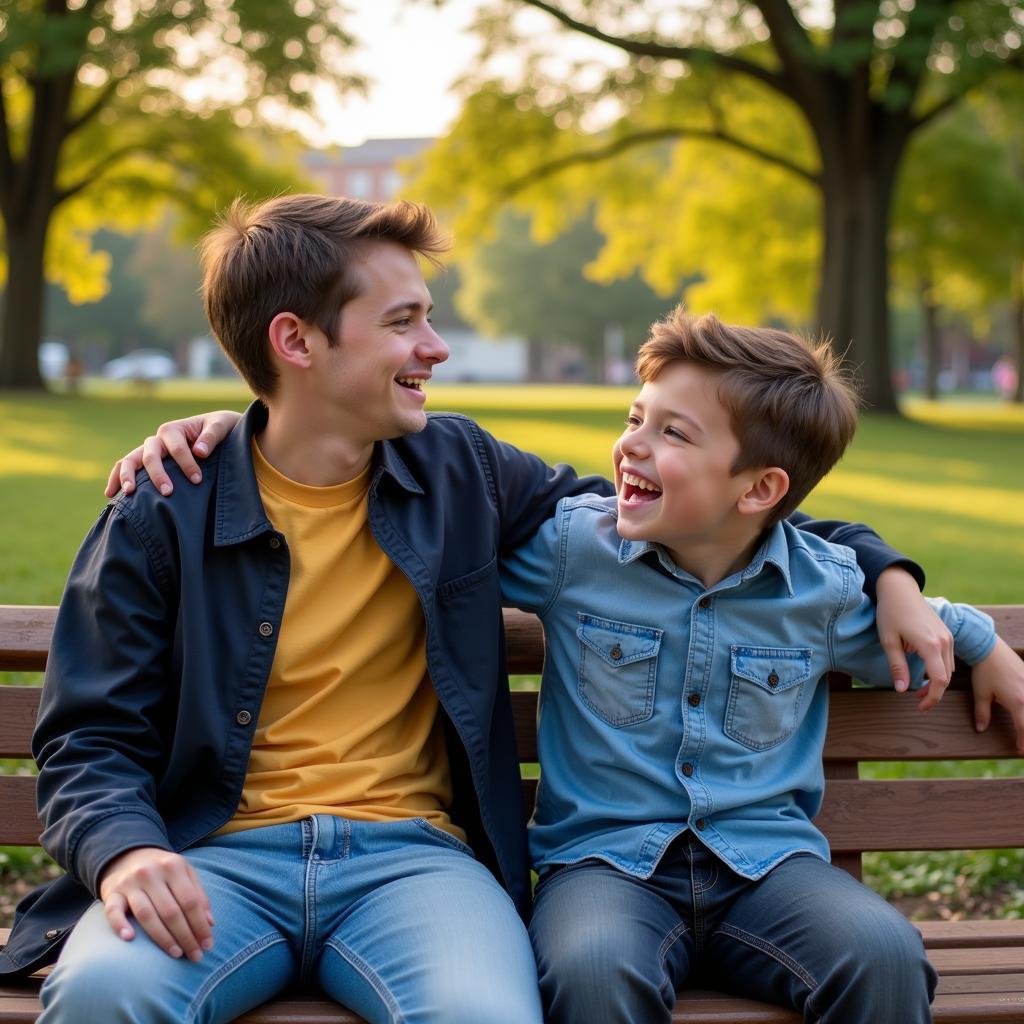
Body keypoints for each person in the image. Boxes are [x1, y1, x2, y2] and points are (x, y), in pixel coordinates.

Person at [2, 194, 958, 1023]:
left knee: (483, 1013)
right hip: (212, 859)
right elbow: (88, 737)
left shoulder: (461, 473)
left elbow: (711, 515)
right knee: (101, 997)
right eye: (404, 320)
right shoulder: (166, 504)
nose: (438, 345)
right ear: (295, 342)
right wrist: (126, 855)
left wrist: (886, 572)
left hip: (412, 865)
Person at [498, 308, 1024, 1023]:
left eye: (671, 432)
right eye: (636, 418)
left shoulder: (823, 590)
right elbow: (453, 558)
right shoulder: (575, 552)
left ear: (758, 490)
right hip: (604, 866)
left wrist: (986, 646)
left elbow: (936, 624)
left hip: (768, 868)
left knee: (884, 953)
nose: (631, 447)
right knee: (593, 970)